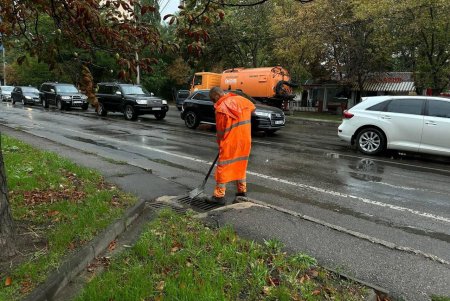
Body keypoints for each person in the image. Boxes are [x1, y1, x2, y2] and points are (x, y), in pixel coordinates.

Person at [208, 87, 256, 204]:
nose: (213, 103)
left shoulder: (221, 108)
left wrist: (220, 144)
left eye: (212, 100)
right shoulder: (241, 100)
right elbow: (253, 109)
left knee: (223, 167)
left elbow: (220, 131)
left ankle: (219, 196)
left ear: (216, 96)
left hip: (230, 142)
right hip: (245, 140)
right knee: (241, 165)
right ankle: (241, 192)